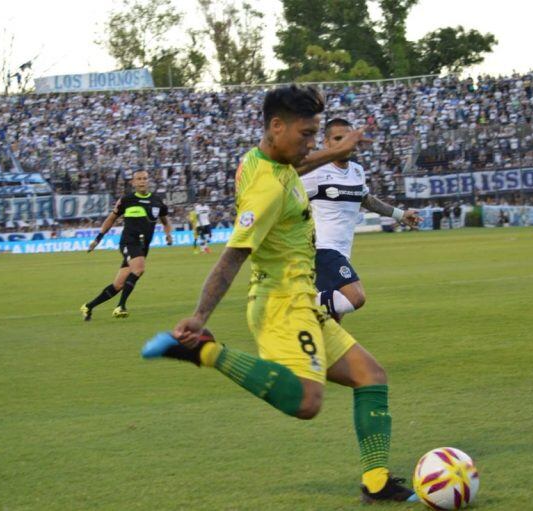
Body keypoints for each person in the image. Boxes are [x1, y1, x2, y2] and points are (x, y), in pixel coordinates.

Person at [141, 85, 418, 503]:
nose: (310, 143)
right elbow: (233, 256)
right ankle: (204, 351)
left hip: (303, 300)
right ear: (275, 127)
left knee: (370, 376)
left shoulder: (268, 160)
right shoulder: (268, 188)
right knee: (308, 402)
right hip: (281, 305)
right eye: (305, 134)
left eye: (314, 135)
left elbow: (305, 160)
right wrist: (200, 315)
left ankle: (376, 482)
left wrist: (341, 146)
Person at [301, 118, 420, 322]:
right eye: (338, 138)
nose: (344, 142)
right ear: (326, 143)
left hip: (341, 251)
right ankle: (294, 307)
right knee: (355, 297)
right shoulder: (315, 172)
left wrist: (400, 215)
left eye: (348, 137)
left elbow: (366, 199)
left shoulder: (356, 171)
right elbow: (285, 195)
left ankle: (317, 349)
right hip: (322, 249)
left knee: (332, 318)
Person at [80, 169, 173, 320]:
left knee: (118, 285)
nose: (142, 181)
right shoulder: (126, 200)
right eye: (139, 179)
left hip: (143, 247)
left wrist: (168, 234)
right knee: (139, 269)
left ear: (148, 181)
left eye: (145, 178)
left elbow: (165, 221)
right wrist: (98, 239)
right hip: (128, 242)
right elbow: (111, 219)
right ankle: (120, 306)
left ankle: (88, 306)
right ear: (133, 183)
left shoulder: (157, 201)